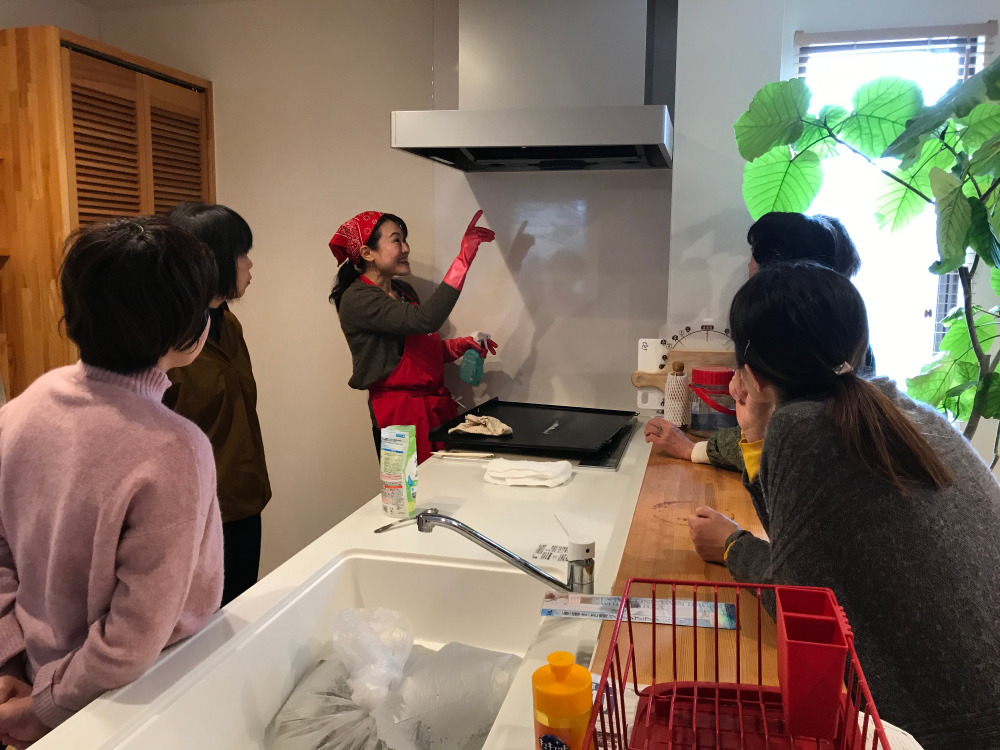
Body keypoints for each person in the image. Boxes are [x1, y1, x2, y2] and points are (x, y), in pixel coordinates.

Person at [686, 263, 1000, 749]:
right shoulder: (905, 410)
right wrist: (755, 436)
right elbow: (800, 550)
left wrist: (733, 546)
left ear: (752, 373)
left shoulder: (802, 430)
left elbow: (800, 610)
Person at [0, 217, 223, 747]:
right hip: (126, 701)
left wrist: (11, 663)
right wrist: (43, 710)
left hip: (35, 676)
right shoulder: (175, 448)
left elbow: (2, 553)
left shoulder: (26, 405)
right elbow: (132, 639)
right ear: (184, 330)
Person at [645, 212, 871, 472]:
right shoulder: (843, 334)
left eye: (755, 255)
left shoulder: (801, 429)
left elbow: (779, 452)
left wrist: (692, 449)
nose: (749, 265)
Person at [163, 202, 271, 606]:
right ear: (209, 261)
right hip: (192, 518)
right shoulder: (165, 343)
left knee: (237, 615)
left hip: (243, 501)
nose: (249, 264)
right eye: (240, 254)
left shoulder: (228, 324)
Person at [330, 210, 497, 463]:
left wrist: (460, 346)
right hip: (397, 418)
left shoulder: (403, 291)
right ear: (367, 253)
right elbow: (425, 319)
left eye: (405, 240)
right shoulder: (357, 298)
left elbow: (418, 352)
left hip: (434, 411)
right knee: (407, 487)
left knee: (442, 482)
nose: (406, 248)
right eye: (396, 240)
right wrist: (463, 259)